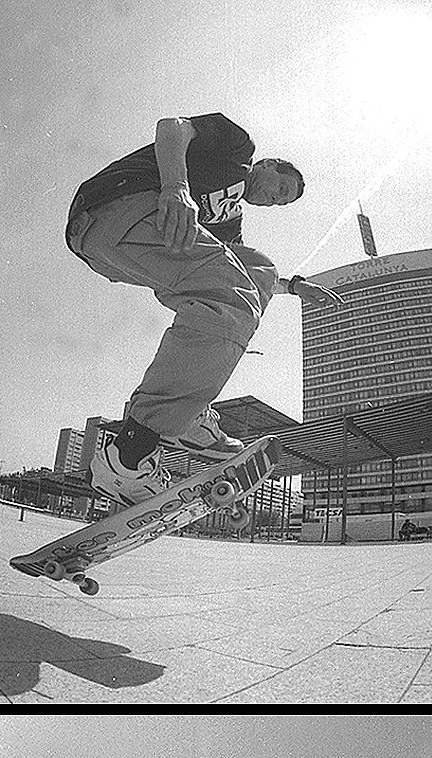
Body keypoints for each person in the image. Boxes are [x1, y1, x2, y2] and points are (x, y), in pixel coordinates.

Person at [65, 113, 344, 507]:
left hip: (124, 246)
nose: (272, 198)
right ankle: (130, 453)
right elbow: (172, 127)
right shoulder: (237, 149)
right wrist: (176, 188)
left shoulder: (230, 224)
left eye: (280, 201)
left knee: (259, 271)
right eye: (279, 186)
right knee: (233, 295)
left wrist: (295, 288)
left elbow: (240, 278)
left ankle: (187, 411)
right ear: (266, 164)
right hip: (121, 206)